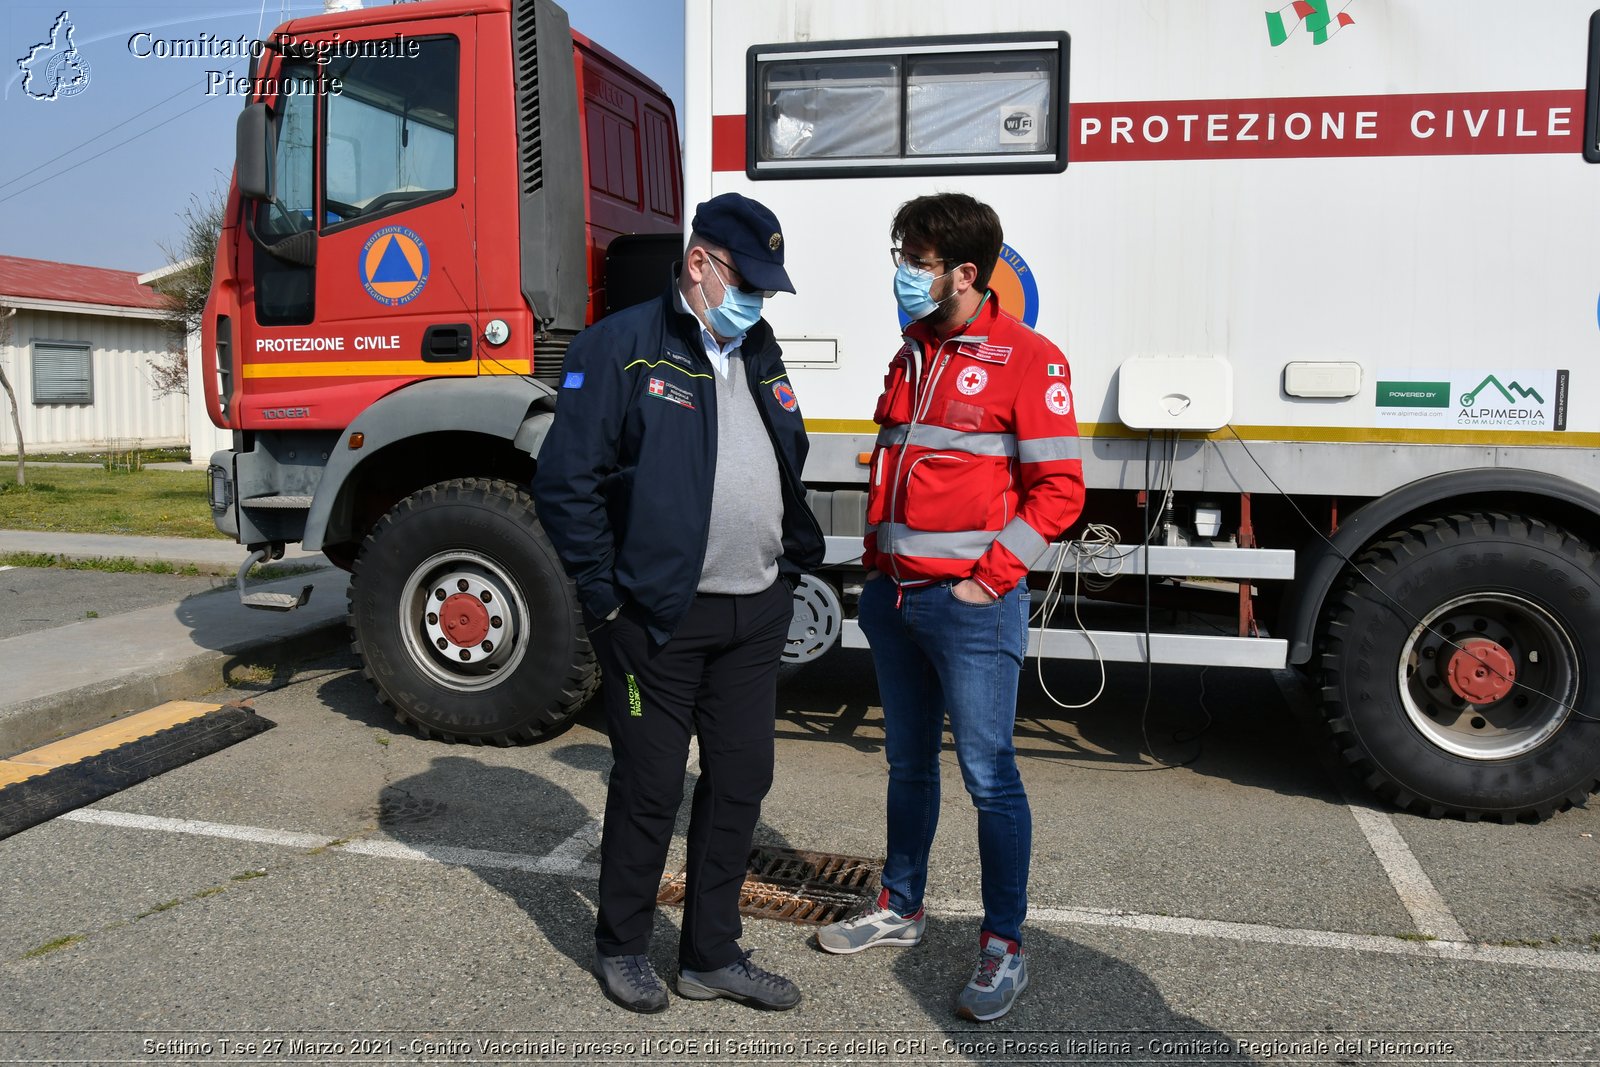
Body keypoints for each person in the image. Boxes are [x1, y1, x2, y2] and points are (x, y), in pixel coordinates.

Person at [532, 193, 824, 1014]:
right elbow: (565, 486)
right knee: (651, 784)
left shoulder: (757, 345)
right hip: (655, 618)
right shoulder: (619, 346)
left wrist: (787, 570)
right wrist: (607, 602)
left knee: (740, 781)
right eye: (747, 282)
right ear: (698, 264)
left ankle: (711, 953)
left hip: (754, 611)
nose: (758, 300)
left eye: (767, 288)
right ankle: (623, 944)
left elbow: (785, 451)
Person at [815, 192, 1085, 1022]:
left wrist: (988, 578)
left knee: (989, 775)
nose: (902, 274)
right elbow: (895, 470)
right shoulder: (912, 351)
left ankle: (1004, 945)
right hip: (896, 599)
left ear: (965, 272)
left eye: (917, 262)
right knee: (907, 763)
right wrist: (873, 574)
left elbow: (1060, 490)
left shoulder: (1028, 358)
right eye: (902, 258)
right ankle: (901, 903)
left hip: (970, 605)